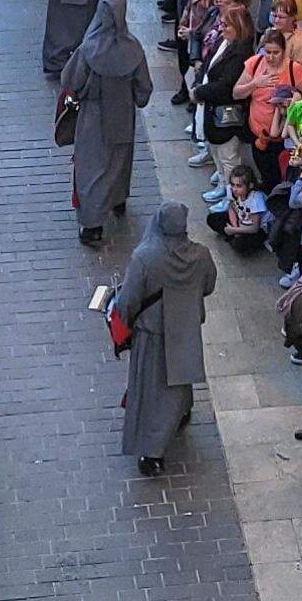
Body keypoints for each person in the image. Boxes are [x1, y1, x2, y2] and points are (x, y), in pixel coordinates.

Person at [111, 202, 218, 473]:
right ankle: (181, 411)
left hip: (152, 332)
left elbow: (129, 301)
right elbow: (208, 285)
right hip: (186, 327)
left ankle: (152, 451)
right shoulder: (201, 255)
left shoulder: (144, 257)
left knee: (152, 388)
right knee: (179, 380)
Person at [60, 0, 151, 247]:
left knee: (92, 167)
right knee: (118, 162)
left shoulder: (89, 49)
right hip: (122, 114)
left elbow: (72, 81)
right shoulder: (133, 48)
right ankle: (118, 200)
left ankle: (92, 225)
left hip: (93, 116)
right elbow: (144, 89)